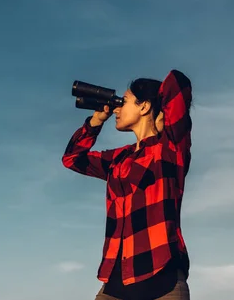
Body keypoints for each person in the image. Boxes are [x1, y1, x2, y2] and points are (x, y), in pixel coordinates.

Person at [62, 69, 193, 300]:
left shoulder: (170, 149)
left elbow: (178, 85)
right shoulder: (118, 159)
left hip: (162, 281)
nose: (117, 109)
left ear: (144, 107)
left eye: (124, 102)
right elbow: (72, 159)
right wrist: (95, 122)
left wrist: (158, 105)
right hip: (115, 283)